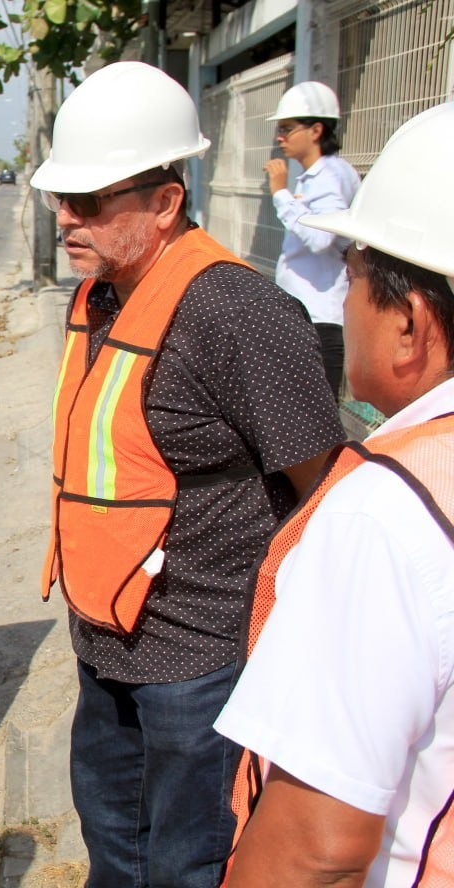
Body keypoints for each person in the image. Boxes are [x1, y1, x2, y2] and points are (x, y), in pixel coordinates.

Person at [30, 61, 344, 887]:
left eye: (91, 201)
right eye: (62, 199)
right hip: (106, 644)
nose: (68, 218)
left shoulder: (235, 312)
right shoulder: (103, 296)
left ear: (165, 201)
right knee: (117, 853)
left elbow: (328, 493)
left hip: (202, 663)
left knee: (187, 864)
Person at [217, 102, 454, 887]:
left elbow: (314, 853)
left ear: (411, 324)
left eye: (355, 278)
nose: (346, 299)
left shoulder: (384, 516)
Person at [265, 81, 362, 398]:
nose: (281, 137)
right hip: (305, 317)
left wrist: (281, 194)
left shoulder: (331, 175)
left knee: (314, 425)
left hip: (320, 320)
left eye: (288, 129)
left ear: (316, 130)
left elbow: (320, 239)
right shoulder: (317, 176)